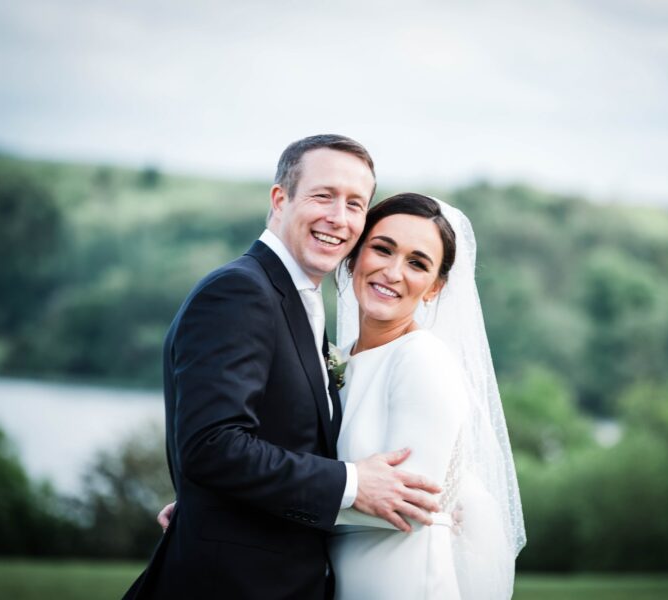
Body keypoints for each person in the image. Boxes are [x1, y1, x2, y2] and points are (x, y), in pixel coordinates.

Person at [123, 135, 442, 600]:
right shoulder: (240, 292)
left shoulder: (298, 302)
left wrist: (210, 505)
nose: (339, 217)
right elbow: (212, 446)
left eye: (356, 204)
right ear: (280, 199)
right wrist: (353, 483)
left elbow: (269, 439)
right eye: (323, 196)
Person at [329, 193, 526, 599]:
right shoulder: (339, 357)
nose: (393, 271)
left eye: (417, 263)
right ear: (354, 256)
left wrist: (258, 503)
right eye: (382, 249)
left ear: (435, 288)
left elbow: (408, 506)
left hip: (401, 580)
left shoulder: (422, 358)